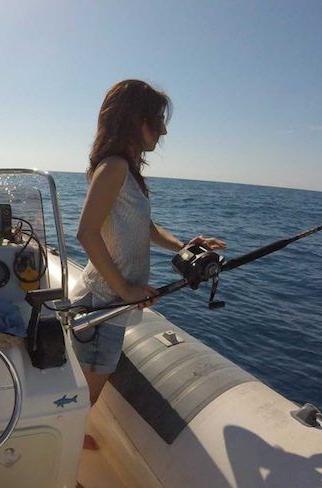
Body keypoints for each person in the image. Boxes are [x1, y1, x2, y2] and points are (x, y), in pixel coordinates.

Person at [73, 80, 226, 449]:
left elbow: (145, 227)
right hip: (104, 303)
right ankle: (65, 457)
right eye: (157, 119)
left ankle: (72, 439)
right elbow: (86, 233)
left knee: (88, 387)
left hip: (112, 304)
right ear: (135, 120)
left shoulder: (127, 173)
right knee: (85, 396)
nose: (164, 129)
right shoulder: (113, 168)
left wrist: (183, 244)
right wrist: (124, 290)